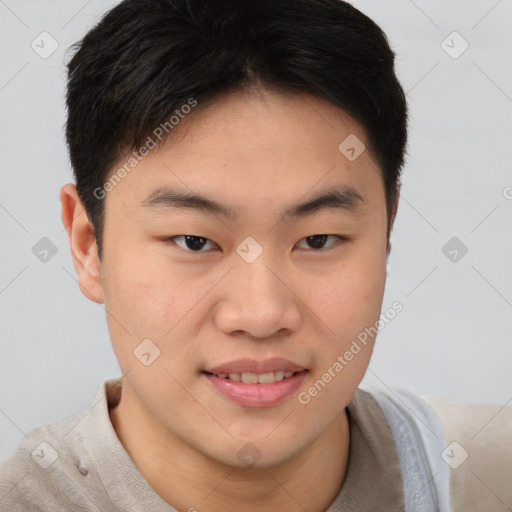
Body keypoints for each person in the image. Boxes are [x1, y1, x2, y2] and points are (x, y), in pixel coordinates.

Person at [1, 0, 510, 510]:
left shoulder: (484, 476)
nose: (262, 313)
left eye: (317, 240)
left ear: (387, 229)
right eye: (195, 242)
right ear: (89, 245)